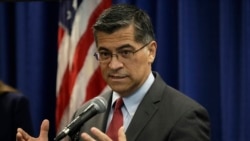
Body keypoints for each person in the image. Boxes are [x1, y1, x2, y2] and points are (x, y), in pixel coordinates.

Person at [16, 4, 210, 141]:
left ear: (151, 51)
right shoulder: (86, 113)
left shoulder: (185, 116)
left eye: (125, 52)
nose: (114, 64)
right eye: (105, 54)